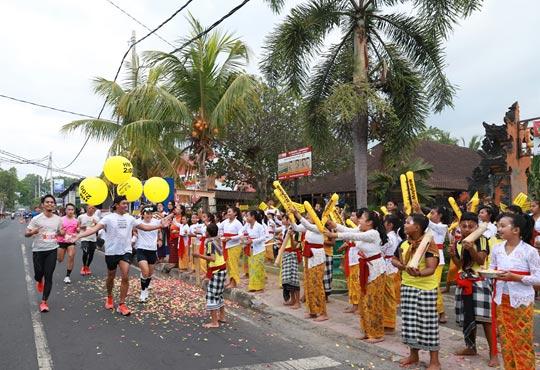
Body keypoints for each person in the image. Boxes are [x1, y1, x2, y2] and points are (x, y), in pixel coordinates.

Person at [74, 196, 171, 316]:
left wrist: (160, 226)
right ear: (116, 205)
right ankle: (109, 296)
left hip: (125, 251)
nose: (126, 205)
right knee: (111, 277)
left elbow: (144, 227)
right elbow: (94, 229)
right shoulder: (108, 218)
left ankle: (122, 304)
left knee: (125, 276)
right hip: (111, 252)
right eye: (123, 203)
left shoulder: (130, 218)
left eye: (126, 203)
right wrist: (79, 236)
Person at [327, 210, 387, 343]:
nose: (359, 220)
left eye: (362, 218)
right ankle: (367, 331)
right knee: (364, 302)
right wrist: (334, 225)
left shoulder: (373, 233)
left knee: (373, 302)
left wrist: (334, 234)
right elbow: (350, 231)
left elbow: (352, 235)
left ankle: (377, 334)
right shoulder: (363, 230)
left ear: (370, 222)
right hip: (365, 268)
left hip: (375, 270)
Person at [489, 212, 540, 370]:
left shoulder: (529, 251)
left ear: (516, 230)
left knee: (522, 342)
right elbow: (491, 270)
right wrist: (486, 275)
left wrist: (515, 277)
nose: (499, 228)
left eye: (503, 226)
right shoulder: (497, 249)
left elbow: (538, 278)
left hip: (521, 302)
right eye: (498, 225)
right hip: (500, 300)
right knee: (506, 341)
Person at [391, 213, 441, 370]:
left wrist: (418, 273)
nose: (404, 225)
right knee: (410, 323)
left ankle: (435, 361)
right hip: (408, 286)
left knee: (429, 324)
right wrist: (399, 264)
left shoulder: (428, 244)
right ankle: (413, 355)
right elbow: (394, 258)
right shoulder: (405, 243)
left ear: (417, 227)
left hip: (425, 289)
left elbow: (431, 269)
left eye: (407, 223)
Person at [449, 212, 498, 367]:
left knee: (486, 320)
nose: (467, 229)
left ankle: (493, 353)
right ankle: (471, 347)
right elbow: (460, 265)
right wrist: (453, 256)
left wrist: (471, 249)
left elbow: (480, 259)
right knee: (467, 317)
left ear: (477, 227)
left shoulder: (482, 239)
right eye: (464, 226)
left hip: (480, 281)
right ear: (460, 227)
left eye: (471, 226)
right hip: (464, 281)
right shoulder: (458, 242)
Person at [25, 195, 63, 313]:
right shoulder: (36, 219)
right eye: (47, 202)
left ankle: (44, 302)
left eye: (52, 202)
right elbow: (26, 233)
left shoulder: (58, 219)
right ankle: (38, 279)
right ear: (42, 205)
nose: (50, 204)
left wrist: (62, 232)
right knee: (38, 274)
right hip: (38, 250)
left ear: (54, 205)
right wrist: (33, 232)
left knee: (49, 275)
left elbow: (60, 232)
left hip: (52, 249)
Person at [291, 208, 328, 322]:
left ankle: (323, 312)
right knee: (308, 284)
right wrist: (291, 216)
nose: (307, 217)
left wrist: (297, 214)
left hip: (317, 258)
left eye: (309, 216)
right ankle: (312, 310)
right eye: (307, 216)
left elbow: (308, 225)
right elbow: (297, 228)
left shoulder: (319, 227)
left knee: (317, 284)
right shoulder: (308, 227)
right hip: (308, 257)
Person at [193, 223, 227, 328]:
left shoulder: (210, 243)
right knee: (219, 294)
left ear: (208, 232)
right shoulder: (218, 239)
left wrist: (199, 255)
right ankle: (222, 316)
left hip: (217, 270)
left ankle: (214, 322)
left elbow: (212, 259)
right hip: (222, 268)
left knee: (211, 295)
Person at [133, 208, 162, 302]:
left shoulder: (156, 222)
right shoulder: (138, 222)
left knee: (150, 273)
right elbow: (133, 229)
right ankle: (143, 291)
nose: (149, 216)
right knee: (145, 272)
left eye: (150, 214)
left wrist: (160, 239)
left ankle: (146, 288)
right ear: (143, 214)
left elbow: (161, 228)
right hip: (141, 249)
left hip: (152, 250)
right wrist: (135, 234)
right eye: (147, 214)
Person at [427, 206, 450, 323]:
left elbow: (433, 226)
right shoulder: (428, 225)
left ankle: (441, 312)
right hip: (426, 257)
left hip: (438, 259)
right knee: (428, 286)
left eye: (433, 213)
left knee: (435, 287)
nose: (431, 215)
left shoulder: (443, 226)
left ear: (440, 215)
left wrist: (420, 212)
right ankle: (432, 311)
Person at [382, 214, 402, 331]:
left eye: (385, 222)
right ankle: (388, 321)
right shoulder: (396, 236)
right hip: (393, 266)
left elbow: (381, 250)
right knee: (391, 295)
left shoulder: (388, 237)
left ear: (390, 225)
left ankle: (389, 323)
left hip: (388, 266)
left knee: (388, 297)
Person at [278, 217, 301, 309]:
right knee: (288, 280)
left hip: (292, 255)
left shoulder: (297, 231)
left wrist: (291, 236)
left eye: (285, 219)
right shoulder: (287, 230)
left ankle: (297, 302)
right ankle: (292, 299)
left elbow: (294, 246)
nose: (283, 220)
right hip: (286, 255)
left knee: (294, 280)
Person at [241, 211, 267, 292]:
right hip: (250, 249)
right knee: (252, 268)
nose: (246, 217)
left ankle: (260, 287)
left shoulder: (259, 226)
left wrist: (253, 241)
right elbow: (240, 231)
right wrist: (242, 237)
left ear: (253, 217)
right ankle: (253, 286)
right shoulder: (247, 225)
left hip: (259, 250)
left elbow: (263, 237)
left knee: (258, 268)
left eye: (248, 215)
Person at [220, 207, 244, 289]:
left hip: (235, 245)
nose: (228, 213)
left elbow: (241, 235)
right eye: (228, 211)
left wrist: (231, 238)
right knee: (228, 264)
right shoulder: (225, 221)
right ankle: (230, 280)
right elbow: (219, 228)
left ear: (235, 213)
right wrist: (221, 235)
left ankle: (234, 282)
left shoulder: (238, 223)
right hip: (226, 245)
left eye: (230, 211)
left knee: (233, 264)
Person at [56, 203, 78, 284]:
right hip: (61, 241)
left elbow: (77, 230)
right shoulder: (60, 219)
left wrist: (78, 231)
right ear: (66, 210)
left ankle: (67, 276)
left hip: (71, 241)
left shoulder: (76, 220)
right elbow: (57, 231)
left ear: (74, 211)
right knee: (60, 259)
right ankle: (58, 258)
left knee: (71, 256)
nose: (70, 211)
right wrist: (60, 232)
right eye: (69, 209)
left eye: (72, 210)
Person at [77, 205, 100, 276]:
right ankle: (84, 266)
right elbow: (77, 227)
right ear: (86, 209)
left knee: (91, 254)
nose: (91, 209)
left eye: (93, 208)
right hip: (84, 238)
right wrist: (81, 227)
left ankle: (87, 267)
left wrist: (96, 224)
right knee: (85, 253)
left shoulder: (96, 218)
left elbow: (99, 228)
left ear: (94, 210)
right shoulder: (81, 217)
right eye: (89, 208)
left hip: (93, 238)